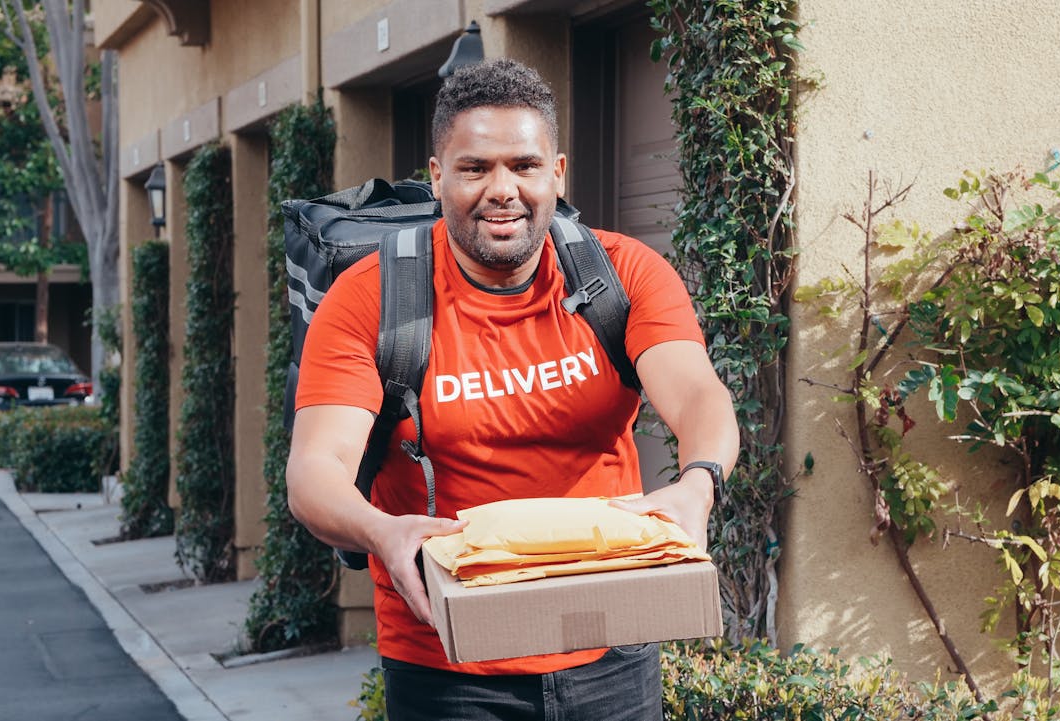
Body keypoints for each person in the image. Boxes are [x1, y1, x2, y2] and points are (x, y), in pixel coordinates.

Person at [286, 58, 738, 721]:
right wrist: (382, 531)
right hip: (449, 661)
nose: (502, 188)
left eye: (524, 165)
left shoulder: (624, 274)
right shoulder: (372, 298)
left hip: (610, 641)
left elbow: (698, 393)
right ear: (438, 175)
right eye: (475, 168)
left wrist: (698, 481)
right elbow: (315, 469)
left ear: (556, 173)